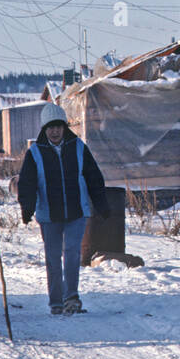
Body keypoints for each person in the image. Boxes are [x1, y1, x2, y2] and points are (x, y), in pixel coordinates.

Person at [16, 102, 107, 315]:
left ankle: (71, 298)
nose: (55, 131)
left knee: (73, 254)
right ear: (44, 129)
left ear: (65, 127)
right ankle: (56, 301)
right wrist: (27, 208)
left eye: (58, 126)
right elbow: (27, 184)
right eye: (50, 127)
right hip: (49, 214)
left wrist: (101, 204)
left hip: (76, 211)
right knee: (53, 257)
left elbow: (94, 177)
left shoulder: (78, 147)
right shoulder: (35, 152)